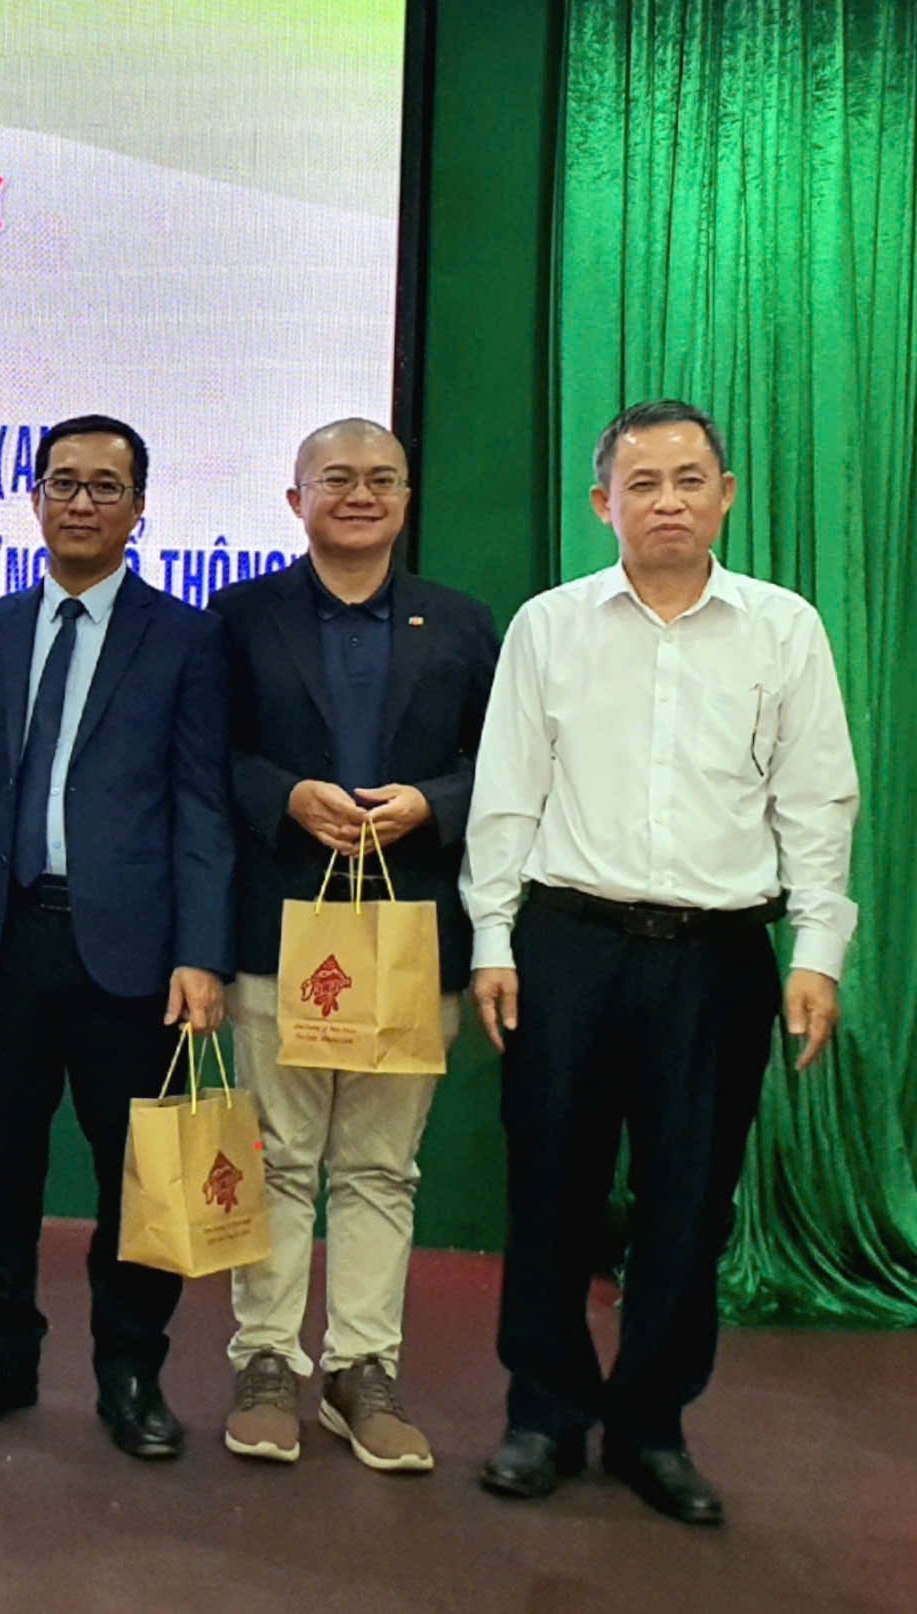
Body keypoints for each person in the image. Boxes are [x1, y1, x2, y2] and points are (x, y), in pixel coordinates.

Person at [463, 400, 857, 1526]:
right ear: (604, 504)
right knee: (551, 1189)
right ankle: (543, 1414)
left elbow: (817, 800)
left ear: (726, 495)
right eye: (643, 484)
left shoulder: (783, 629)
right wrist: (492, 936)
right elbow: (507, 793)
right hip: (567, 947)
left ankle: (651, 1427)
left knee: (690, 1203)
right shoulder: (550, 626)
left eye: (690, 480)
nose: (668, 502)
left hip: (717, 958)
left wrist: (817, 951)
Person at [0, 414, 233, 1461]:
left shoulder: (184, 638)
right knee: (0, 1158)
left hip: (134, 954)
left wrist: (201, 952)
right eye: (62, 482)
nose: (81, 503)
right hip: (7, 937)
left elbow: (202, 805)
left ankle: (131, 1367)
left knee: (135, 1171)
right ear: (34, 498)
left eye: (105, 486)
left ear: (140, 508)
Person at [207, 419, 498, 1472]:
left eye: (382, 478)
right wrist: (286, 795)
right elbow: (212, 757)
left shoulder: (462, 624)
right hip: (278, 926)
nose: (361, 494)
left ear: (407, 498)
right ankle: (265, 1360)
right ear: (296, 500)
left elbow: (504, 765)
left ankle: (362, 1370)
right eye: (337, 478)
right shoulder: (240, 617)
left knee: (380, 1166)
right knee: (278, 1158)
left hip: (412, 929)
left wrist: (433, 804)